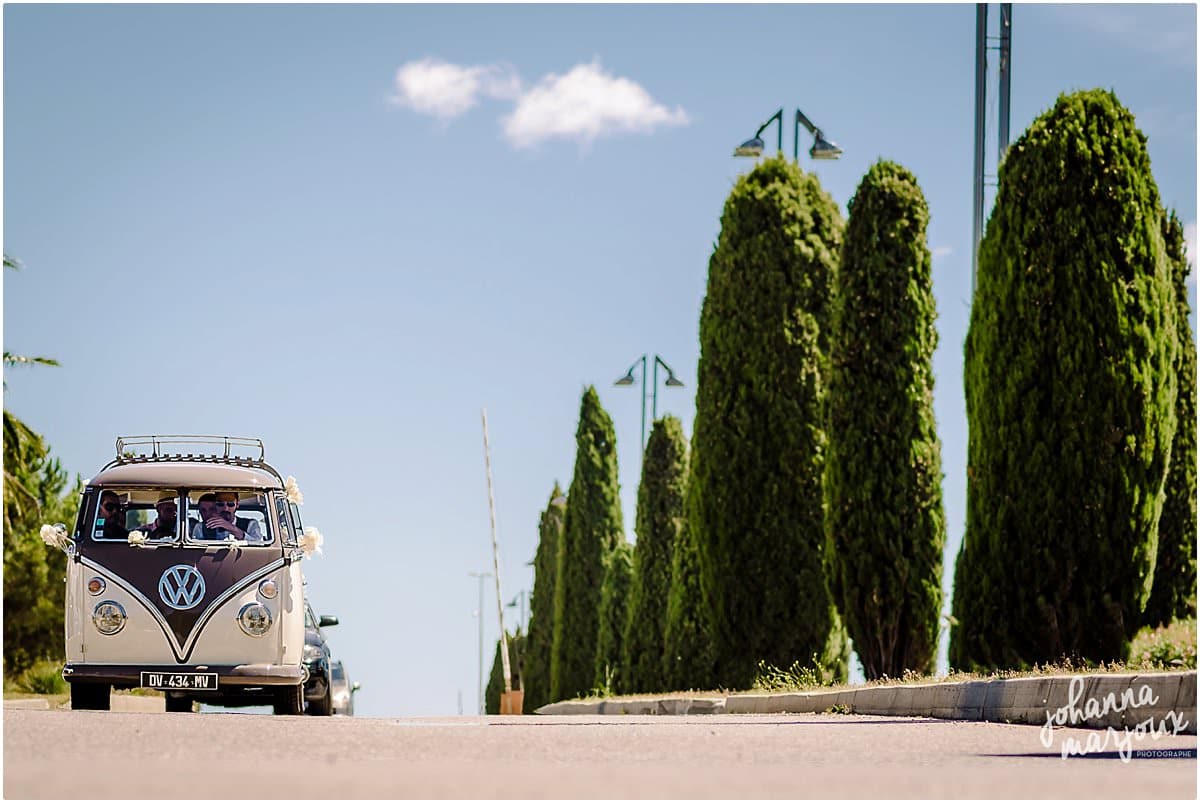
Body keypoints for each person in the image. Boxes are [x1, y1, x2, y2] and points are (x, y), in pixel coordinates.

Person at [191, 491, 264, 543]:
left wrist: (233, 529)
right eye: (220, 504)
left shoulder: (251, 524)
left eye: (230, 504)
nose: (225, 508)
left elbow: (261, 546)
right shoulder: (201, 527)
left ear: (237, 504)